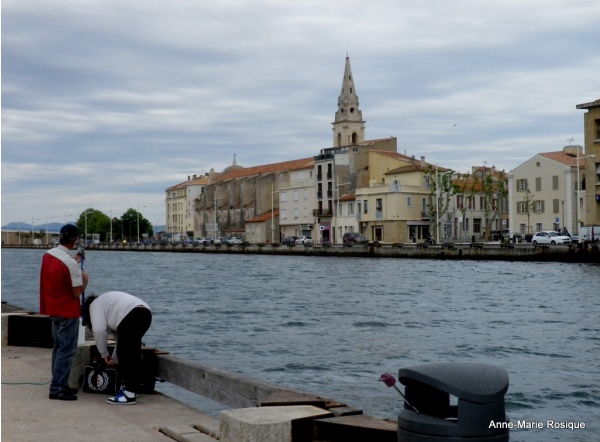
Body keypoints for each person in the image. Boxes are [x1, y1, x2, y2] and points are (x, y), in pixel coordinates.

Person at [40, 223, 89, 401]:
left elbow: (61, 272)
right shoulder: (69, 263)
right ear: (75, 241)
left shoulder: (49, 255)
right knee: (67, 350)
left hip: (52, 308)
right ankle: (58, 388)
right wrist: (85, 280)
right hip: (67, 310)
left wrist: (75, 262)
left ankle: (59, 383)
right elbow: (77, 292)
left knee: (58, 348)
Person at [83, 291, 152, 405]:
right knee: (131, 352)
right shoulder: (110, 306)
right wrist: (114, 359)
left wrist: (104, 354)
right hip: (146, 313)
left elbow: (99, 330)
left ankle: (129, 394)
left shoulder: (94, 305)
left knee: (126, 354)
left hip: (132, 314)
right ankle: (133, 388)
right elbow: (120, 343)